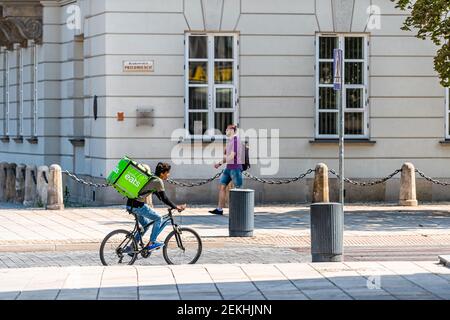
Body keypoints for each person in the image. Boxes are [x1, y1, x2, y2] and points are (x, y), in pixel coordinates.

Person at [125, 162, 186, 251]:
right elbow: (164, 198)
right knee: (158, 219)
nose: (168, 175)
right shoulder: (158, 181)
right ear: (162, 173)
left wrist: (172, 205)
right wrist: (176, 207)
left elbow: (160, 196)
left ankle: (132, 247)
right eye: (167, 173)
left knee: (146, 225)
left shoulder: (153, 178)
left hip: (131, 204)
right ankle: (151, 243)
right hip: (138, 206)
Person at [209, 124, 243, 215]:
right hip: (228, 168)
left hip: (235, 168)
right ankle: (219, 209)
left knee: (238, 189)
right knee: (222, 186)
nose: (225, 131)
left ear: (232, 130)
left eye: (227, 130)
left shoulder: (236, 140)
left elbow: (232, 156)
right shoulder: (230, 141)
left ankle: (241, 210)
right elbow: (227, 156)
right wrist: (219, 163)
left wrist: (220, 163)